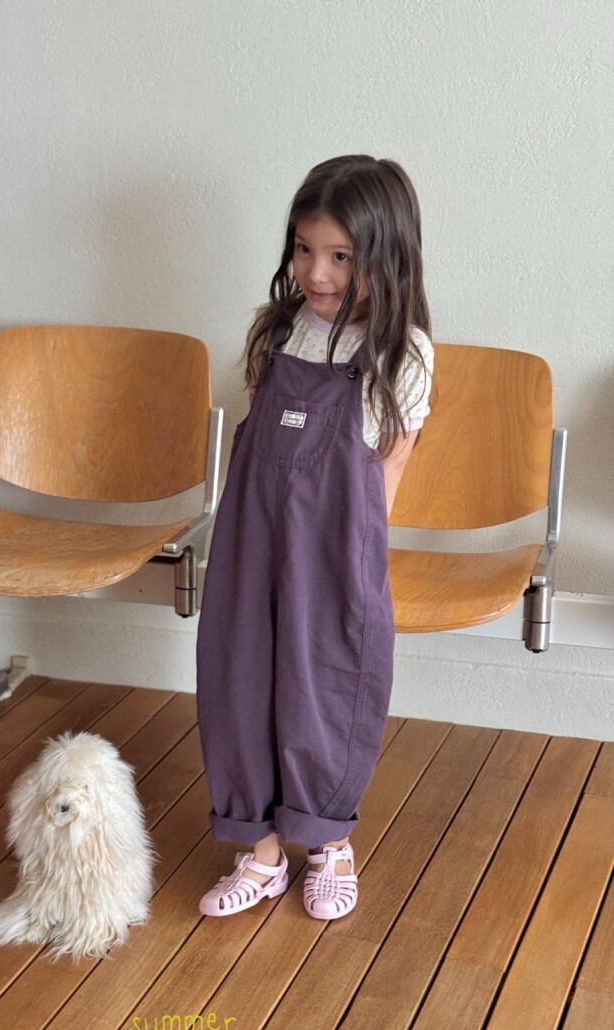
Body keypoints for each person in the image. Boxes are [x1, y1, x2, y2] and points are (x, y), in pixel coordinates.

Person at [195, 155, 434, 921]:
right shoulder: (277, 331)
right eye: (304, 249)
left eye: (340, 256)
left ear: (386, 258)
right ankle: (262, 851)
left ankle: (329, 841)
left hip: (334, 550)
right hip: (252, 537)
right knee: (239, 676)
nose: (316, 273)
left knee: (322, 685)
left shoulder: (399, 355)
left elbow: (388, 472)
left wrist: (358, 573)